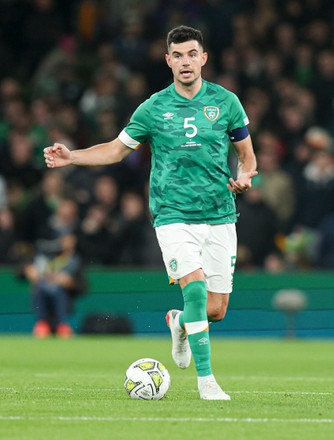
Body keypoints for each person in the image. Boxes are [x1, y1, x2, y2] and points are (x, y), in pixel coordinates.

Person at [44, 25, 257, 400]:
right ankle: (207, 382)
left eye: (192, 53)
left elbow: (246, 155)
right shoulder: (154, 108)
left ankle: (179, 323)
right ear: (168, 61)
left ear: (203, 58)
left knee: (217, 309)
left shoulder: (226, 103)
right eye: (178, 55)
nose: (185, 61)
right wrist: (72, 156)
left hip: (220, 214)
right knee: (195, 292)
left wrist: (245, 176)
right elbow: (115, 150)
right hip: (172, 214)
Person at [23, 234, 83, 338]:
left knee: (58, 289)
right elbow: (22, 269)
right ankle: (42, 324)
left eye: (70, 244)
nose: (67, 246)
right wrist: (28, 270)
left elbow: (82, 287)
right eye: (64, 243)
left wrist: (70, 283)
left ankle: (61, 325)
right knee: (41, 286)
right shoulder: (49, 257)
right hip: (43, 299)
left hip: (65, 302)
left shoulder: (76, 262)